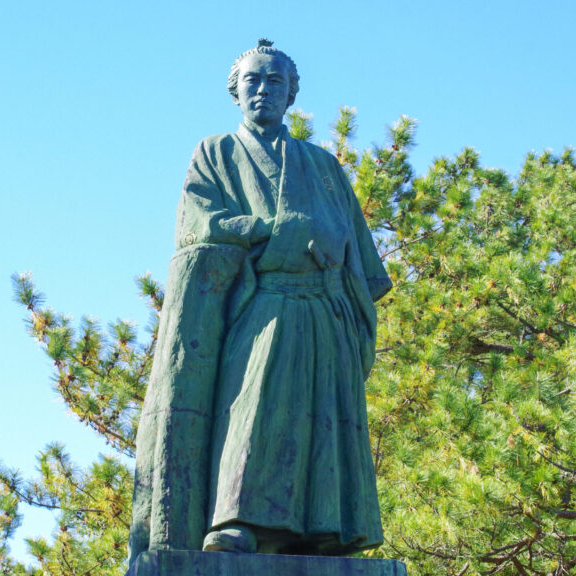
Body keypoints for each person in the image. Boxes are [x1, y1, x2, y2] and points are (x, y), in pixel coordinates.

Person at [128, 39, 391, 566]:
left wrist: (325, 247)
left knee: (320, 418)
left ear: (292, 93)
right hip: (260, 302)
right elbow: (199, 228)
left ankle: (322, 527)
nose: (264, 90)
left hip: (324, 311)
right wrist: (274, 231)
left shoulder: (324, 166)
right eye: (253, 80)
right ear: (235, 92)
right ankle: (235, 521)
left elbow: (361, 258)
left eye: (275, 82)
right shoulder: (216, 153)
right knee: (252, 408)